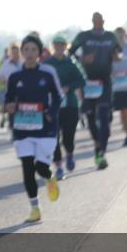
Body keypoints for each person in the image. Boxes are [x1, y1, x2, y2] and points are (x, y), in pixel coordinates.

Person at [4, 35, 62, 223]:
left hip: (45, 128)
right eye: (26, 50)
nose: (29, 53)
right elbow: (9, 97)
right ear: (21, 53)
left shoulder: (46, 74)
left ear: (39, 53)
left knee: (40, 168)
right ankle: (35, 208)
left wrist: (50, 113)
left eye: (33, 50)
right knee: (27, 168)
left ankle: (49, 177)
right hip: (23, 128)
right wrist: (10, 105)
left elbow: (58, 96)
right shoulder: (15, 77)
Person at [69, 12, 122, 170]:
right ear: (92, 21)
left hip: (105, 80)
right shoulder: (83, 36)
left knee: (104, 115)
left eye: (100, 20)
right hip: (88, 81)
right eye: (95, 20)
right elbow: (70, 53)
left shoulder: (111, 37)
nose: (98, 22)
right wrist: (82, 60)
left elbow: (119, 51)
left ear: (104, 21)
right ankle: (98, 144)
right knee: (91, 116)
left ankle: (101, 152)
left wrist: (117, 56)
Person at [43, 35, 86, 179]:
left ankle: (70, 154)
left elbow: (82, 80)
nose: (59, 47)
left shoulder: (71, 62)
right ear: (53, 46)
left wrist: (69, 87)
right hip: (53, 105)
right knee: (54, 136)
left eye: (62, 45)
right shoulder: (47, 64)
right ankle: (59, 167)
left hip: (70, 104)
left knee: (69, 135)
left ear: (65, 46)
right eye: (56, 45)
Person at [0, 42, 22, 130]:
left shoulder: (23, 62)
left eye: (17, 52)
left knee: (21, 110)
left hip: (23, 91)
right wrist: (4, 80)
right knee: (12, 110)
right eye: (13, 52)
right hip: (11, 91)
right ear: (10, 52)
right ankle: (12, 127)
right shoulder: (6, 64)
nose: (15, 54)